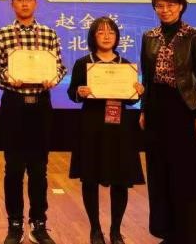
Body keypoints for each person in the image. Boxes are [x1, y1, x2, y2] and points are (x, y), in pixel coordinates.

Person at [0, 0, 67, 244]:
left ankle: (38, 223)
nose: (24, 3)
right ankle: (14, 223)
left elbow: (60, 67)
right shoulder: (3, 34)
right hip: (14, 104)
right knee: (13, 167)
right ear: (12, 4)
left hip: (40, 105)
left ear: (35, 3)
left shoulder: (48, 34)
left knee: (39, 168)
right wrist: (7, 76)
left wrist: (54, 78)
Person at [139, 0, 196, 244]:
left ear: (180, 7)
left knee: (186, 175)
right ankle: (167, 233)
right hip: (156, 108)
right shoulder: (149, 36)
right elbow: (147, 77)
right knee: (160, 173)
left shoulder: (194, 35)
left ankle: (188, 236)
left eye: (170, 5)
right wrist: (144, 109)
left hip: (184, 109)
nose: (165, 10)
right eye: (160, 6)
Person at [67, 17, 145, 244]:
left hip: (120, 128)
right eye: (101, 32)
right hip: (91, 126)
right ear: (93, 37)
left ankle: (115, 231)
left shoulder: (126, 64)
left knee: (120, 179)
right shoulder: (84, 63)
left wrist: (138, 92)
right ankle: (95, 229)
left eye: (111, 32)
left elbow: (131, 101)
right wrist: (79, 92)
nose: (107, 36)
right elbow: (72, 94)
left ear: (117, 37)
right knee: (90, 178)